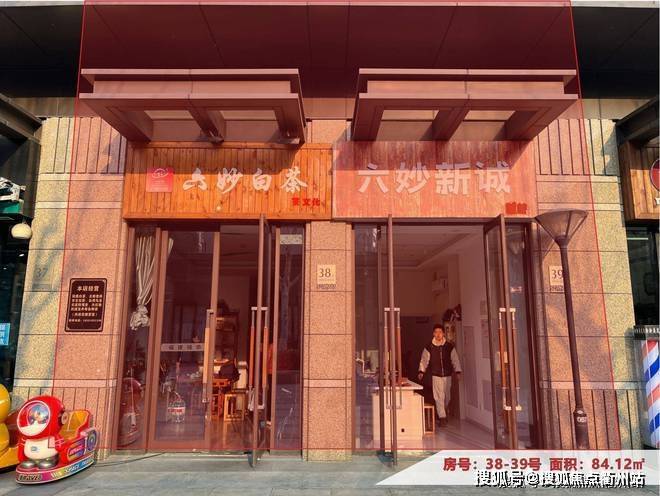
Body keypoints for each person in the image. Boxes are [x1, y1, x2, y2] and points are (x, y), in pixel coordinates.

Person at [417, 323, 461, 427]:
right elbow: (424, 359)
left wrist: (458, 371)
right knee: (438, 396)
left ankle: (442, 411)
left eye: (440, 332)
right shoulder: (429, 347)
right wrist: (421, 371)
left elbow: (455, 359)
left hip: (447, 375)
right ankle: (442, 418)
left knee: (447, 396)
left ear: (443, 334)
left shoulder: (449, 347)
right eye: (436, 332)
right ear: (433, 334)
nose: (438, 334)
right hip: (436, 375)